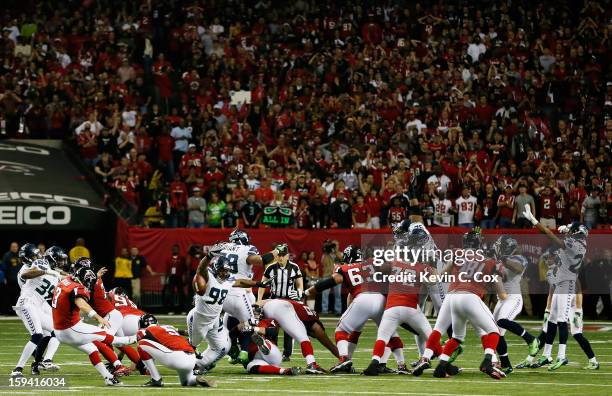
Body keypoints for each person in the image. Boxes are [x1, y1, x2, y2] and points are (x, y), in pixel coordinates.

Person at [520, 206, 590, 370]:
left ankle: (562, 356)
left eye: (572, 231)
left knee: (561, 321)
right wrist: (568, 228)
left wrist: (535, 222)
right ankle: (546, 354)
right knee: (551, 320)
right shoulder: (580, 242)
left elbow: (551, 236)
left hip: (567, 285)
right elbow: (567, 237)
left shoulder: (576, 244)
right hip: (560, 283)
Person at [51, 266, 136, 386]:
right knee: (101, 335)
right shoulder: (77, 287)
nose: (88, 285)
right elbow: (81, 304)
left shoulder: (65, 281)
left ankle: (108, 377)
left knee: (92, 349)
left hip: (60, 330)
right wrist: (98, 317)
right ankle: (129, 340)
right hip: (70, 328)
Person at [11, 244, 61, 377]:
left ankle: (46, 360)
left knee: (57, 332)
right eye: (34, 255)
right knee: (38, 335)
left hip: (38, 304)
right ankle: (17, 369)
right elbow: (27, 275)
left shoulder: (53, 273)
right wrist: (46, 271)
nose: (38, 256)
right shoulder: (31, 267)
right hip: (27, 303)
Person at [137, 314, 215, 387]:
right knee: (186, 382)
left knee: (141, 344)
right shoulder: (169, 327)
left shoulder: (144, 331)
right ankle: (195, 379)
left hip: (177, 357)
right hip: (191, 358)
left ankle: (156, 379)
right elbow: (183, 332)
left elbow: (130, 340)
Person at [258, 244, 303, 362]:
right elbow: (262, 285)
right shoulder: (270, 268)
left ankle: (287, 354)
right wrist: (259, 300)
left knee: (289, 328)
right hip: (274, 301)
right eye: (279, 255)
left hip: (289, 302)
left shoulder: (294, 267)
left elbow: (299, 283)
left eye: (283, 255)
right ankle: (274, 350)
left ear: (288, 256)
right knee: (272, 327)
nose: (281, 258)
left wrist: (299, 292)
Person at [320, 240, 342, 316]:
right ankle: (324, 311)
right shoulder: (325, 254)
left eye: (336, 245)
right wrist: (327, 251)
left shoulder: (339, 253)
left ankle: (338, 311)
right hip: (327, 275)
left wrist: (335, 251)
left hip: (337, 275)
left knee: (338, 294)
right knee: (325, 294)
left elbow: (342, 259)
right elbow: (323, 262)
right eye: (333, 245)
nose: (334, 246)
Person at [164, 245, 187, 314]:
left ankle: (182, 309)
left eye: (176, 249)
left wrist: (184, 277)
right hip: (171, 277)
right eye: (174, 249)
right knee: (171, 294)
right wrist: (166, 278)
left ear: (178, 250)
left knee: (181, 293)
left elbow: (184, 269)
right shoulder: (169, 259)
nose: (175, 250)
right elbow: (167, 270)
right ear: (172, 250)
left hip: (179, 277)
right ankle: (171, 310)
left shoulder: (182, 258)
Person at [2, 242, 20, 314]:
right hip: (10, 280)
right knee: (9, 296)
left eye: (16, 247)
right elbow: (3, 267)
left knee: (18, 297)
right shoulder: (7, 255)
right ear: (10, 247)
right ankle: (9, 311)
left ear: (18, 247)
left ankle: (17, 312)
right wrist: (4, 278)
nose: (14, 248)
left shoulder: (20, 256)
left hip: (19, 281)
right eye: (13, 247)